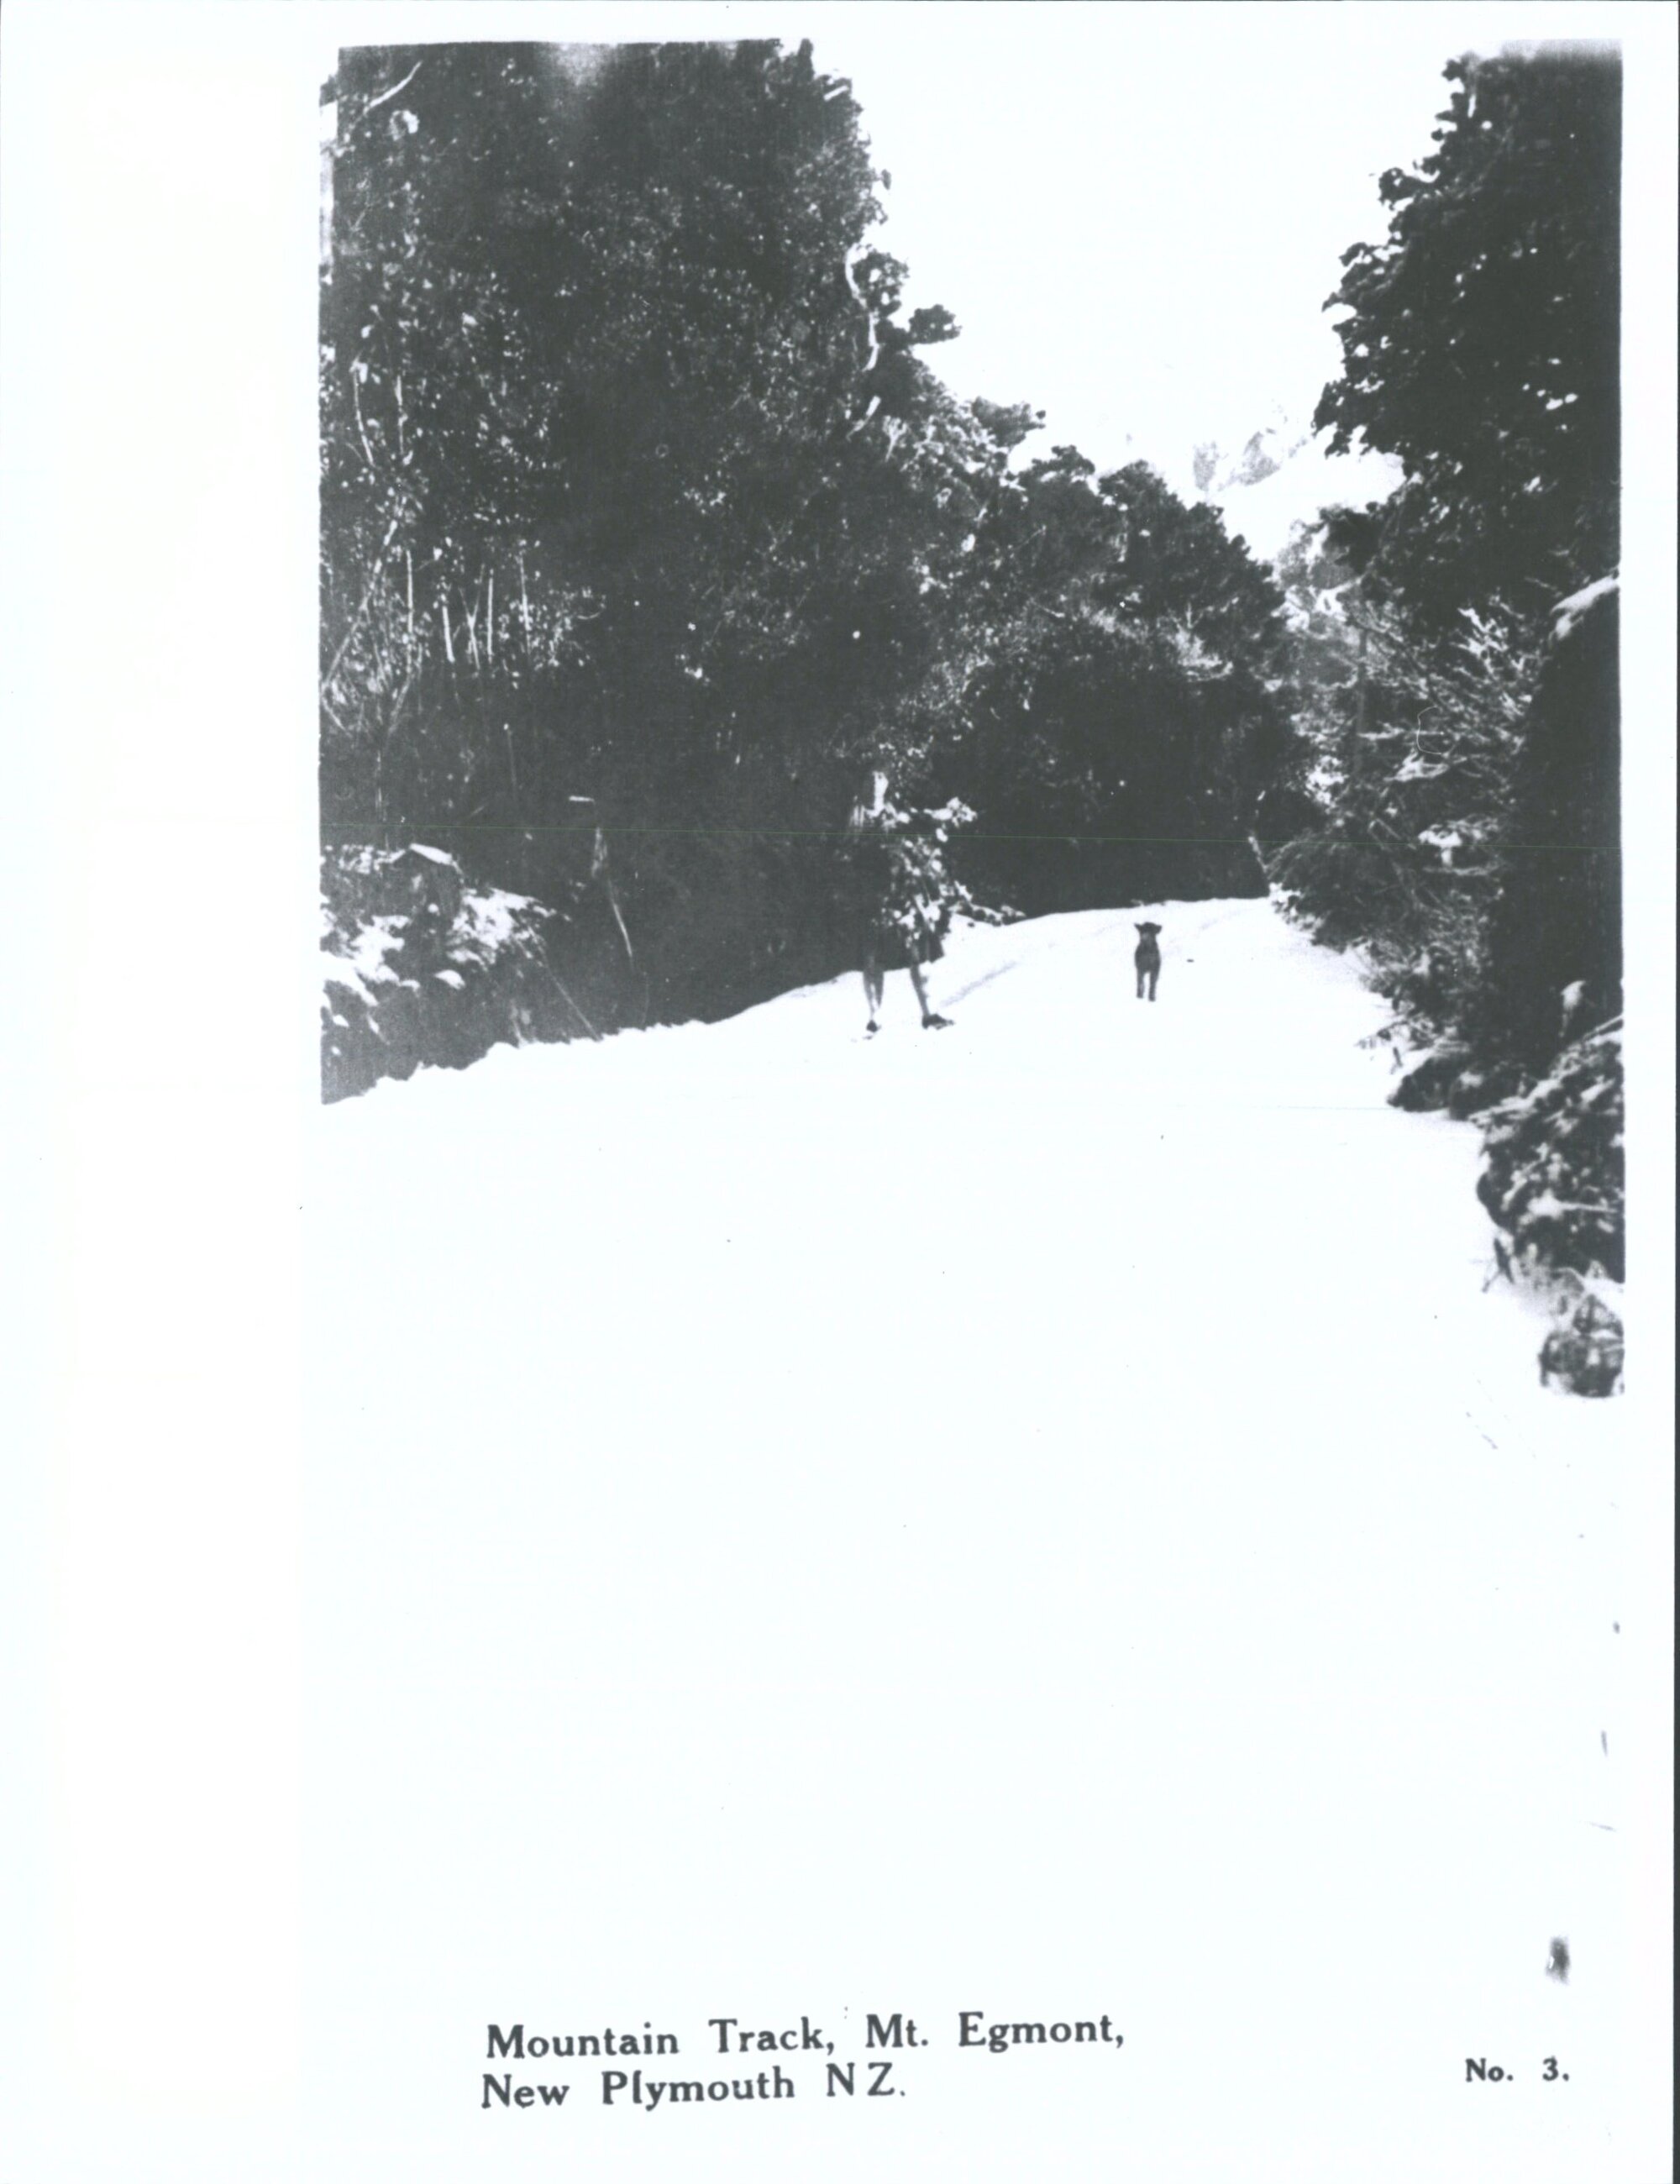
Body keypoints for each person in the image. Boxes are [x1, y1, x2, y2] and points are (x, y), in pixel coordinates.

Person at [844, 778, 969, 1034]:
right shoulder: (855, 819)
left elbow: (917, 835)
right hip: (872, 895)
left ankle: (929, 1013)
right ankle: (874, 1018)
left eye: (881, 777)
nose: (876, 783)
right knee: (873, 960)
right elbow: (848, 856)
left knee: (919, 955)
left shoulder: (897, 812)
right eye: (871, 777)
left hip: (903, 892)